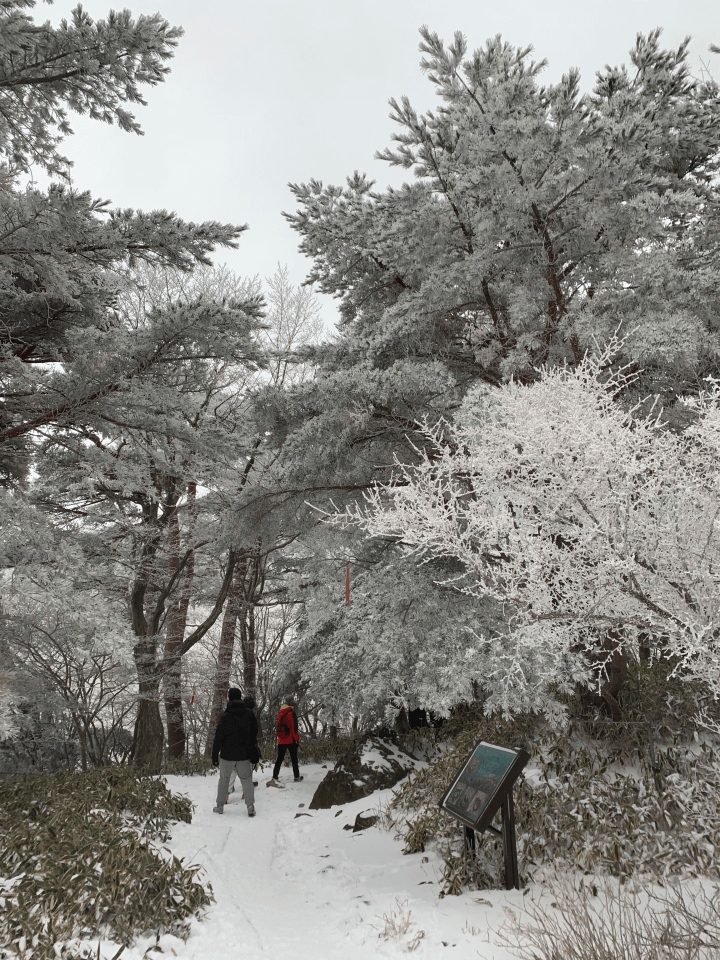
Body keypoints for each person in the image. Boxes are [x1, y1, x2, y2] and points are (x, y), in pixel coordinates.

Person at [211, 687, 259, 817]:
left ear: (229, 698)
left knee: (224, 780)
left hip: (227, 755)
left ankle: (220, 806)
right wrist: (253, 751)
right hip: (244, 754)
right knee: (247, 780)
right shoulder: (249, 714)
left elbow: (218, 738)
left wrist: (214, 755)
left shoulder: (225, 716)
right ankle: (250, 806)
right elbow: (254, 734)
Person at [227, 695, 259, 801]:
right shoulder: (250, 716)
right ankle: (246, 792)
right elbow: (253, 734)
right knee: (247, 772)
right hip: (246, 749)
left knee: (233, 771)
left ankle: (227, 793)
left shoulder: (234, 713)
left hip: (232, 747)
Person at [267, 697, 303, 787]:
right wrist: (297, 740)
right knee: (294, 758)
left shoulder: (280, 712)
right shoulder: (291, 713)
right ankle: (296, 776)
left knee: (279, 759)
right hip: (291, 740)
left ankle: (275, 776)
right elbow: (294, 729)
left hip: (281, 740)